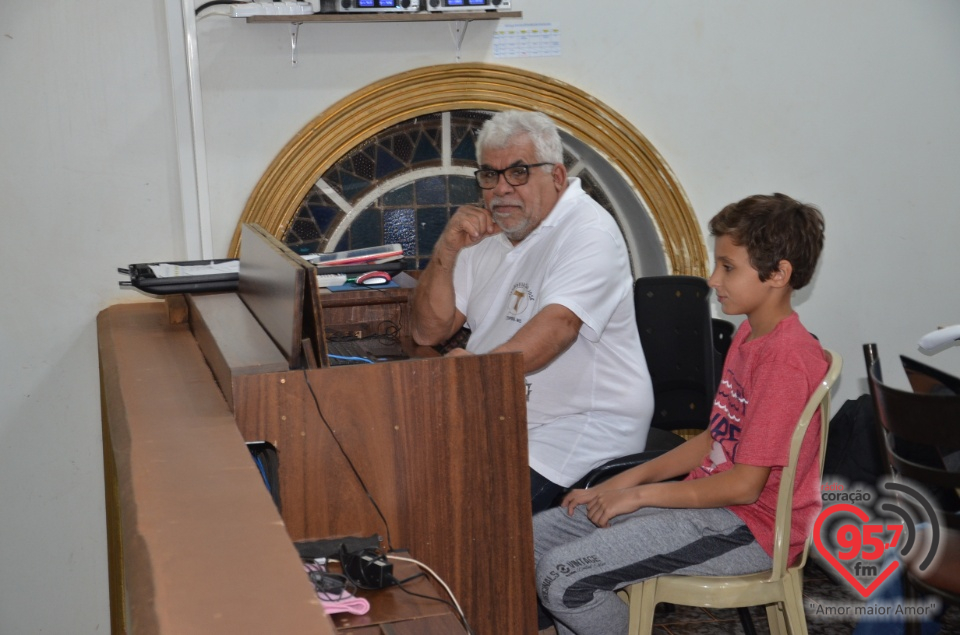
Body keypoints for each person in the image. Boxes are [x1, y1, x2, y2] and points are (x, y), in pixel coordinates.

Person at [533, 193, 828, 635]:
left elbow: (746, 486)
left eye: (728, 267)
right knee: (535, 540)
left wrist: (635, 498)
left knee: (565, 579)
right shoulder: (750, 333)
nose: (712, 279)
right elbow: (714, 440)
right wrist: (618, 483)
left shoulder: (784, 359)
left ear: (779, 273)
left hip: (751, 529)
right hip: (711, 510)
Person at [409, 110, 654, 513]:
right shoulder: (484, 232)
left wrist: (475, 374)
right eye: (490, 175)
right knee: (405, 471)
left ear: (557, 176)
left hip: (581, 424)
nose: (502, 189)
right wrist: (447, 250)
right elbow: (427, 332)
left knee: (472, 506)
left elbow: (558, 327)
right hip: (499, 413)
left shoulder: (588, 231)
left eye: (518, 172)